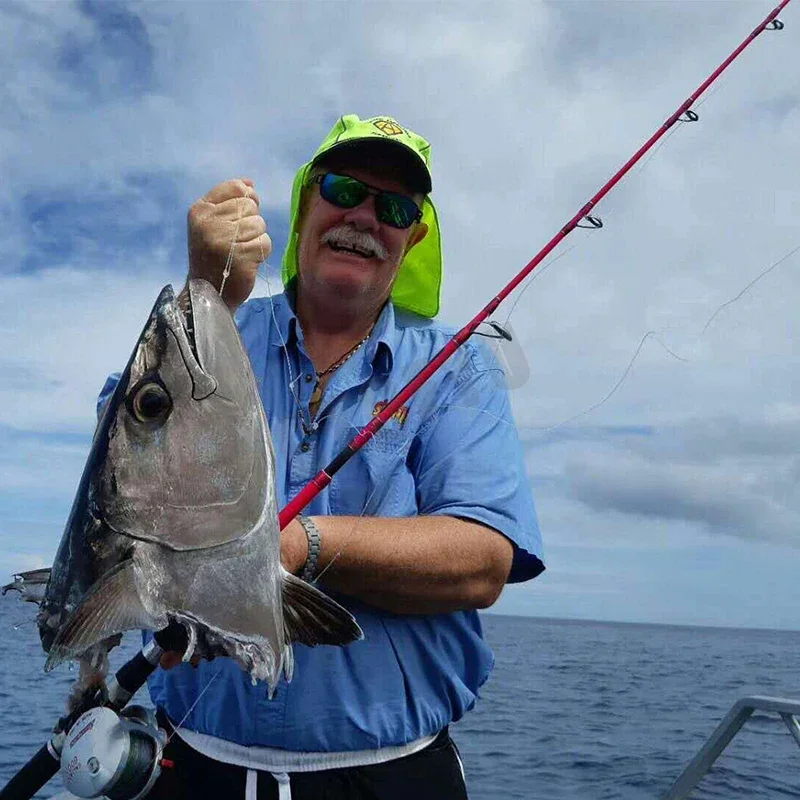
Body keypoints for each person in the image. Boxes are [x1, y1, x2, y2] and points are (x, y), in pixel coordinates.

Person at [145, 114, 545, 799]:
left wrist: (305, 542)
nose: (365, 217)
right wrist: (204, 299)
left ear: (414, 235)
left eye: (394, 207)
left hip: (391, 776)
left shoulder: (459, 369)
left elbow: (483, 560)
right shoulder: (214, 325)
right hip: (189, 763)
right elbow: (123, 469)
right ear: (305, 201)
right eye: (343, 188)